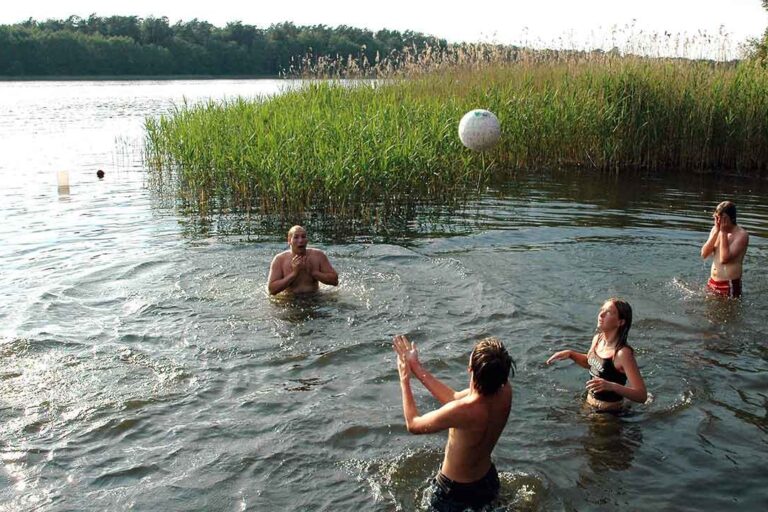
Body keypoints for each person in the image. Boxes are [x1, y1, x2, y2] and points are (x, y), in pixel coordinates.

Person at [393, 335, 514, 511]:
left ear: (470, 369)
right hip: (487, 483)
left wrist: (404, 378)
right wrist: (417, 368)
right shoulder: (505, 392)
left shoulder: (464, 410)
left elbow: (413, 424)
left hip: (453, 493)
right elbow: (453, 398)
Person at [546, 298, 647, 412]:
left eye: (608, 312)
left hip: (610, 414)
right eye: (602, 310)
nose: (601, 314)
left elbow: (642, 396)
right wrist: (571, 354)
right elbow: (592, 364)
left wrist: (612, 386)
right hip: (589, 405)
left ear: (621, 322)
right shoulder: (598, 339)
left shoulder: (623, 353)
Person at [267, 225, 338, 295]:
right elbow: (271, 290)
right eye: (296, 237)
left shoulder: (318, 255)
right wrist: (294, 274)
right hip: (289, 300)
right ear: (289, 240)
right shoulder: (279, 259)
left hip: (315, 298)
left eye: (303, 237)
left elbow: (335, 281)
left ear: (307, 240)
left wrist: (314, 272)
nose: (300, 240)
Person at [700, 201, 749, 298]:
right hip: (712, 282)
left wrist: (723, 232)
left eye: (723, 218)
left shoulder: (741, 235)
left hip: (729, 284)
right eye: (717, 217)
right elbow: (704, 254)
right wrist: (716, 232)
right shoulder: (715, 229)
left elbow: (724, 259)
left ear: (732, 218)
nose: (719, 221)